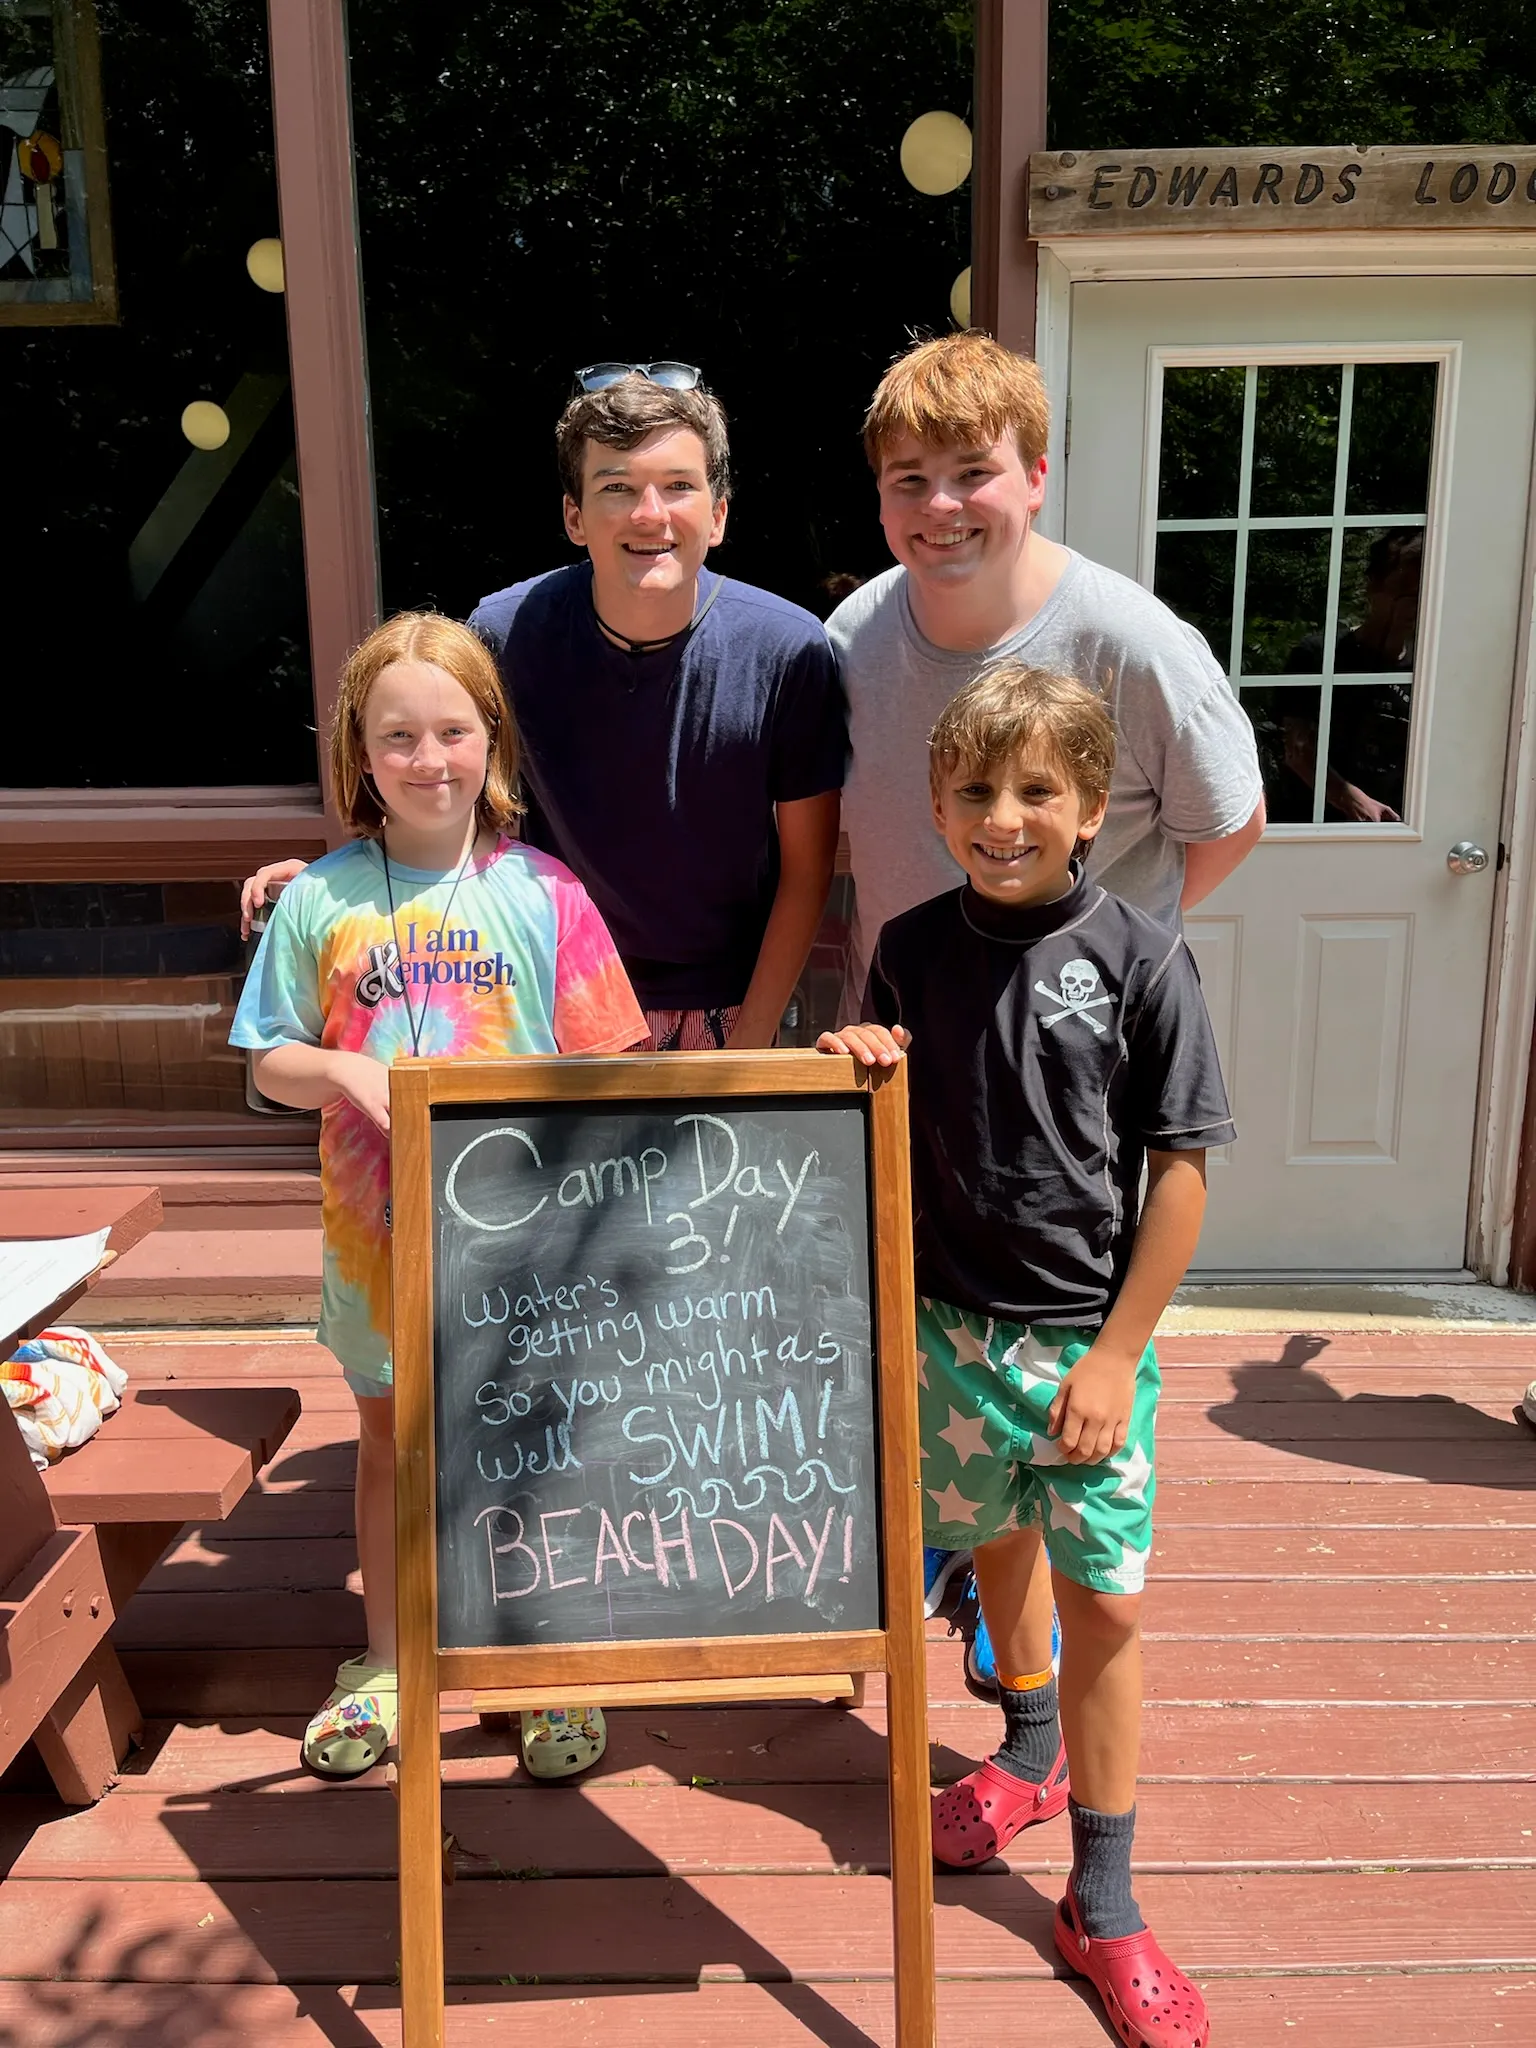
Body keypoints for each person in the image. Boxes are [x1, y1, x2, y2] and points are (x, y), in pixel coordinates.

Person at [827, 330, 1265, 1682]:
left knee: (1075, 1462)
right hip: (916, 1054)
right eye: (910, 479)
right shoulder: (852, 639)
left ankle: (1029, 1664)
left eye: (974, 471)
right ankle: (991, 1644)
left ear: (1036, 473)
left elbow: (1228, 824)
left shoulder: (1131, 640)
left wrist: (1100, 952)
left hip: (1069, 1074)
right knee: (945, 1405)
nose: (941, 506)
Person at [819, 662, 1232, 2048]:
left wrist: (1117, 1358)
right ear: (937, 801)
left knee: (1104, 1600)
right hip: (946, 1335)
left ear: (1093, 805)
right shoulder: (912, 947)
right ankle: (1032, 1748)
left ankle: (1102, 1900)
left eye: (1036, 790)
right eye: (975, 790)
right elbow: (882, 1114)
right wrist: (860, 1059)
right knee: (994, 1544)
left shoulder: (1144, 955)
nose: (1004, 817)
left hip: (1084, 1354)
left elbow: (1180, 1175)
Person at [231, 613, 647, 1782]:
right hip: (378, 1243)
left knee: (537, 1451)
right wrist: (341, 1068)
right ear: (359, 757)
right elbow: (267, 1054)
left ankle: (541, 1661)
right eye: (397, 735)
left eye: (452, 730)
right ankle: (390, 1656)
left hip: (531, 1254)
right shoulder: (321, 898)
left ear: (491, 741)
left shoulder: (545, 893)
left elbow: (608, 1058)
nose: (428, 759)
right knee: (390, 1444)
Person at [243, 368, 848, 1055]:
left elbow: (806, 871)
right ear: (573, 515)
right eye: (616, 487)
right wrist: (339, 883)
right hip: (532, 993)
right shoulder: (505, 633)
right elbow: (442, 781)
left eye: (679, 485)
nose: (650, 512)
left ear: (718, 514)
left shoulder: (788, 651)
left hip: (725, 1005)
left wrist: (748, 1046)